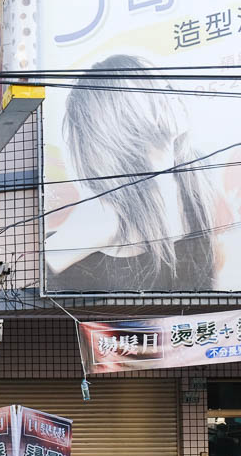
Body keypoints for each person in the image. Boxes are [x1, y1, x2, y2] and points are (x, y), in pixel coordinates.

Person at [45, 54, 217, 292]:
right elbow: (39, 268)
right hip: (124, 329)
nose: (172, 94)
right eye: (154, 89)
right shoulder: (108, 213)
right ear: (118, 113)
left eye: (166, 85)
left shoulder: (198, 177)